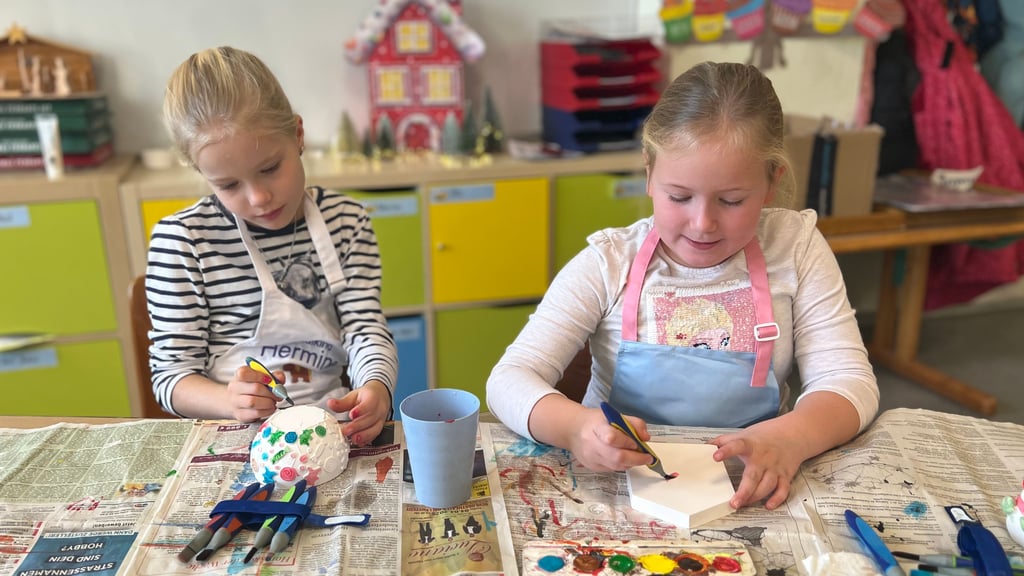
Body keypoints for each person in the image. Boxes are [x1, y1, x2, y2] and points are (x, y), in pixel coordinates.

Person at [486, 61, 879, 510]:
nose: (703, 223)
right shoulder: (608, 263)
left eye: (731, 200)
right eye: (679, 197)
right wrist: (575, 428)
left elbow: (849, 380)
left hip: (752, 483)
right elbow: (509, 380)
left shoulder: (796, 248)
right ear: (649, 173)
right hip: (621, 489)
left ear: (772, 181)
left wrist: (792, 437)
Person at [146, 46, 397, 445]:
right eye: (228, 185)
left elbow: (364, 328)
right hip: (233, 434)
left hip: (330, 426)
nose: (259, 198)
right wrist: (229, 401)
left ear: (298, 135)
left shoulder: (345, 221)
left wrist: (376, 387)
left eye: (270, 168)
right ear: (202, 172)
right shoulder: (183, 242)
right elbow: (170, 377)